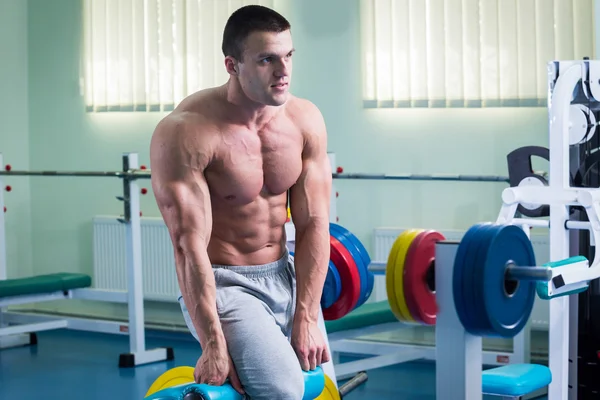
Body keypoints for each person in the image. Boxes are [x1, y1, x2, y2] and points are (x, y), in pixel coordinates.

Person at [150, 4, 332, 400]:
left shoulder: (305, 120)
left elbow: (315, 223)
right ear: (232, 65)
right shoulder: (186, 131)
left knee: (320, 386)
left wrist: (307, 315)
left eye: (288, 56)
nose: (283, 71)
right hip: (224, 282)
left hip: (283, 273)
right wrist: (213, 342)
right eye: (267, 59)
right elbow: (187, 245)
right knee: (284, 390)